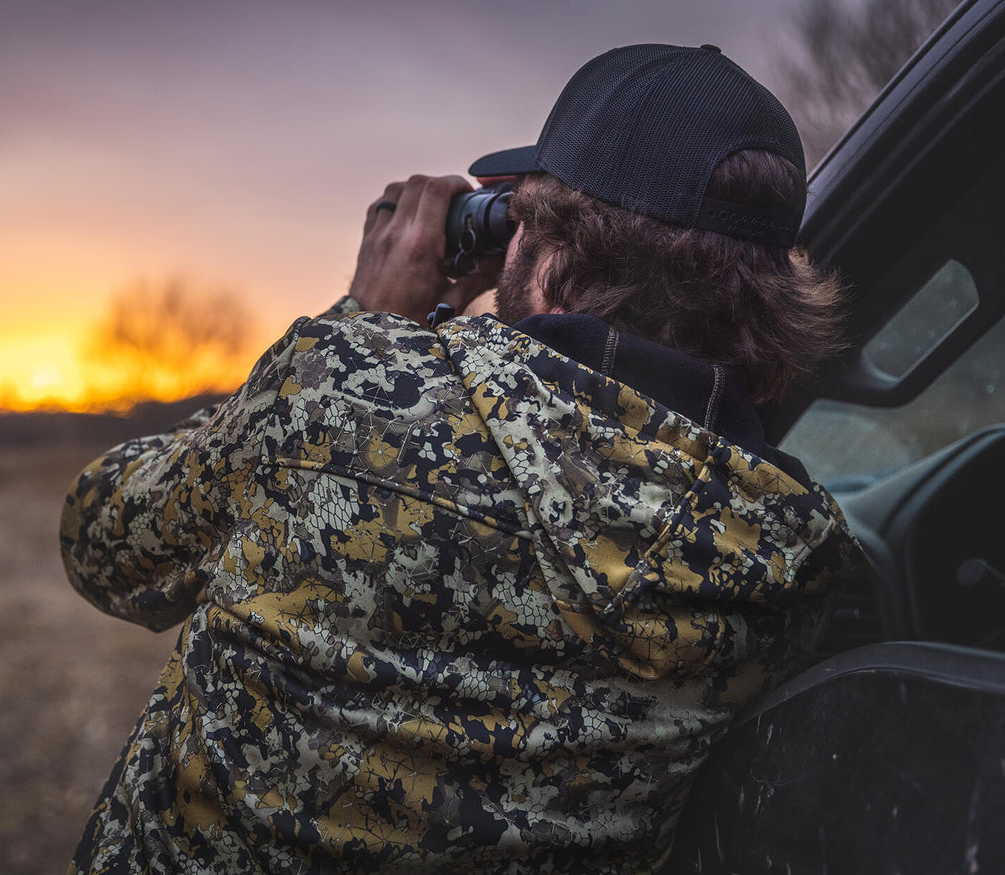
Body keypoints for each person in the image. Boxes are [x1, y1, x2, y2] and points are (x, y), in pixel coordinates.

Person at [61, 44, 867, 874]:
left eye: (519, 223)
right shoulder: (794, 564)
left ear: (552, 259)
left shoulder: (341, 391)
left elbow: (102, 541)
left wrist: (365, 314)